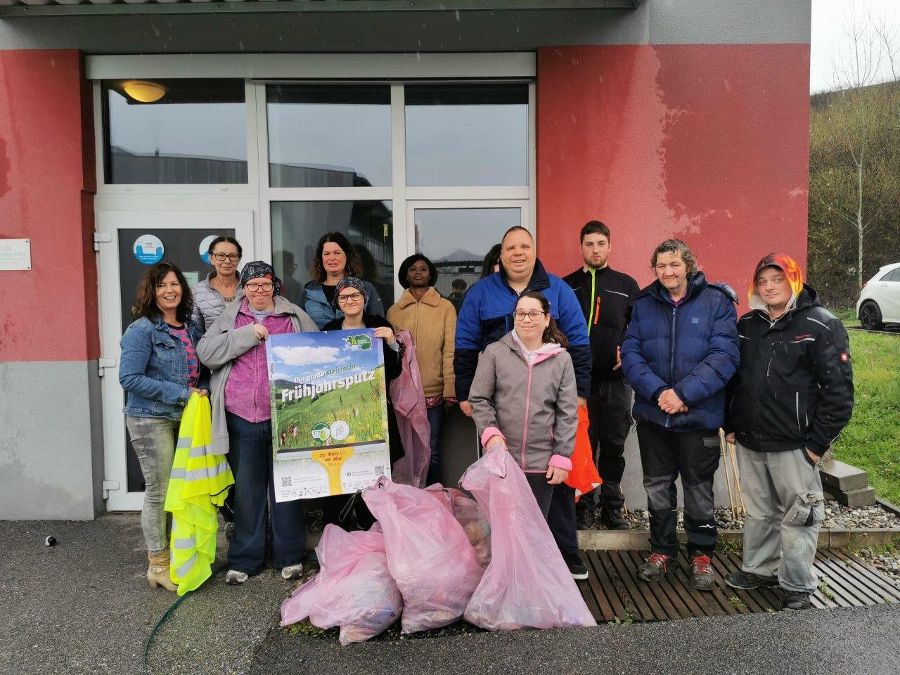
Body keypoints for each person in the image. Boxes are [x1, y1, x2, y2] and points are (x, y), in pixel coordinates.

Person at [455, 226, 592, 580]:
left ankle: (564, 552)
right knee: (500, 486)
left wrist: (579, 391)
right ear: (500, 255)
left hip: (548, 408)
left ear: (534, 251)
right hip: (500, 410)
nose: (518, 253)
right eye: (510, 248)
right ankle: (501, 559)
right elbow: (467, 343)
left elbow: (578, 341)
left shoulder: (559, 289)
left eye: (524, 247)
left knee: (557, 482)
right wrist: (466, 393)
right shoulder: (481, 293)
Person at [723, 254, 853, 610]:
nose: (769, 287)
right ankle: (759, 568)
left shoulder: (822, 324)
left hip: (795, 445)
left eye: (776, 280)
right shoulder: (748, 324)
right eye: (762, 281)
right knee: (760, 511)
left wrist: (816, 444)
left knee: (799, 514)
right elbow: (734, 379)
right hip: (750, 440)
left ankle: (796, 584)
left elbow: (839, 392)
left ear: (793, 281)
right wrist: (731, 423)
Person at [621, 239, 739, 591]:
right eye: (661, 266)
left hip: (697, 417)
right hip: (654, 418)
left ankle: (702, 554)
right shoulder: (643, 304)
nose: (668, 272)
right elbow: (630, 354)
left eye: (674, 264)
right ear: (654, 269)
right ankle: (662, 550)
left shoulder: (717, 301)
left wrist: (684, 394)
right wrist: (660, 394)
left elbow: (725, 355)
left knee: (699, 490)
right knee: (657, 487)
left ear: (688, 264)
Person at [196, 261, 319, 585]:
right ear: (244, 289)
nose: (259, 291)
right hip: (242, 416)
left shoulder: (293, 317)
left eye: (265, 285)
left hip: (287, 417)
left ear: (274, 286)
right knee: (247, 491)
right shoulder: (232, 317)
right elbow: (206, 352)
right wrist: (247, 335)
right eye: (252, 286)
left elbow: (318, 352)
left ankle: (289, 556)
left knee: (287, 489)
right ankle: (245, 559)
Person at [119, 262, 208, 592]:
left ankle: (179, 556)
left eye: (174, 284)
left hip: (184, 418)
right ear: (151, 292)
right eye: (161, 286)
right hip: (150, 418)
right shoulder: (142, 330)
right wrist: (183, 394)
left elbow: (200, 371)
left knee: (181, 491)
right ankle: (158, 565)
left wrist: (202, 391)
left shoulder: (190, 328)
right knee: (160, 491)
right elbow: (129, 378)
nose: (169, 290)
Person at [469, 291, 578, 518]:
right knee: (503, 527)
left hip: (542, 462)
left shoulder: (561, 359)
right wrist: (491, 434)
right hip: (502, 458)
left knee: (535, 528)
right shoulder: (495, 352)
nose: (526, 319)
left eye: (533, 313)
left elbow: (567, 412)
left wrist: (562, 455)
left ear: (547, 319)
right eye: (520, 314)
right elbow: (479, 398)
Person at [563, 220, 640, 530]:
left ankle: (612, 507)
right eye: (589, 244)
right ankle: (583, 506)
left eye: (600, 243)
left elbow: (638, 327)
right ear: (581, 247)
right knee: (581, 446)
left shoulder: (626, 285)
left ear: (610, 246)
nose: (595, 249)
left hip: (615, 383)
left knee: (613, 446)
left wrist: (629, 350)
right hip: (576, 383)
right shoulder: (566, 285)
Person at [322, 277, 404, 528]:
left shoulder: (379, 326)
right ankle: (343, 533)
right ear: (337, 302)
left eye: (355, 296)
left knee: (372, 476)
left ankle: (375, 531)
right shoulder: (329, 329)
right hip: (338, 412)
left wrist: (391, 342)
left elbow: (394, 371)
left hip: (374, 411)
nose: (350, 301)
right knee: (340, 471)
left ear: (364, 299)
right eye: (344, 297)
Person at [387, 254, 457, 485]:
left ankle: (434, 499)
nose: (418, 272)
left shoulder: (445, 307)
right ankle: (410, 501)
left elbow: (450, 350)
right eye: (412, 269)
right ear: (405, 275)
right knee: (406, 451)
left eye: (423, 269)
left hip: (433, 392)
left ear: (431, 274)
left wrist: (450, 389)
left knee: (432, 450)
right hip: (404, 395)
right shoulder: (394, 311)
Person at [299, 232, 384, 329]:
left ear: (347, 256)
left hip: (356, 343)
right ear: (320, 258)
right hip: (319, 344)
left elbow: (379, 326)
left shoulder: (367, 289)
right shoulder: (308, 291)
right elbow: (297, 327)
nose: (331, 258)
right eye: (326, 254)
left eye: (337, 253)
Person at [192, 236, 244, 331]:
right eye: (221, 255)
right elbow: (195, 332)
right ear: (211, 258)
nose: (227, 261)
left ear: (239, 259)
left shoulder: (250, 287)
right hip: (212, 345)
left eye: (233, 256)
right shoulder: (198, 291)